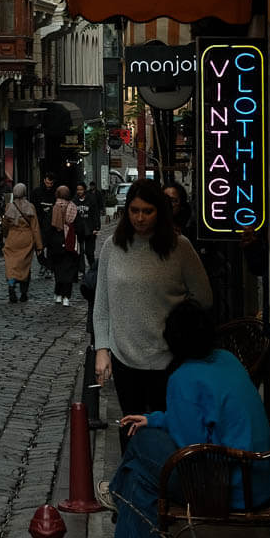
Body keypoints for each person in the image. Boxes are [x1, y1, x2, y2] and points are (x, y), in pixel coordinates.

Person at [100, 299, 270, 538]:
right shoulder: (226, 359)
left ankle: (129, 525)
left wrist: (157, 426)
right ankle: (121, 505)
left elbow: (188, 448)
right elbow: (203, 417)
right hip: (258, 476)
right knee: (143, 449)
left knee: (140, 458)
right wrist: (156, 419)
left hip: (228, 486)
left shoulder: (183, 378)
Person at [93, 177, 213, 425]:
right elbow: (102, 303)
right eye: (134, 210)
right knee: (130, 429)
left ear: (160, 211)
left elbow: (203, 298)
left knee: (167, 428)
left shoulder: (179, 248)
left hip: (169, 358)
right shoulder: (113, 247)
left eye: (147, 211)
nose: (140, 218)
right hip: (125, 356)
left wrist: (177, 322)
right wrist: (102, 349)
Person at [1, 183, 43, 304]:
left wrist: (5, 235)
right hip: (26, 238)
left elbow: (5, 225)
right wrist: (39, 245)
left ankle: (11, 284)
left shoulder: (9, 207)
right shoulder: (30, 207)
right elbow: (35, 227)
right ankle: (24, 292)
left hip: (13, 238)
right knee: (25, 265)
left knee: (11, 264)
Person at [48, 185, 81, 306]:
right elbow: (78, 226)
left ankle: (57, 294)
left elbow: (49, 227)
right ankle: (66, 297)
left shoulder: (55, 207)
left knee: (58, 270)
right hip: (69, 242)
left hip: (56, 242)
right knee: (68, 270)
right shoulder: (73, 207)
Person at [73, 180, 102, 269]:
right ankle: (81, 270)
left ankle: (92, 268)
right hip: (79, 230)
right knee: (79, 251)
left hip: (90, 229)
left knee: (89, 252)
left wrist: (96, 227)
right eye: (78, 190)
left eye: (81, 189)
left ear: (84, 190)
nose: (79, 191)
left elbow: (95, 214)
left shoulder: (91, 199)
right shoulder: (74, 200)